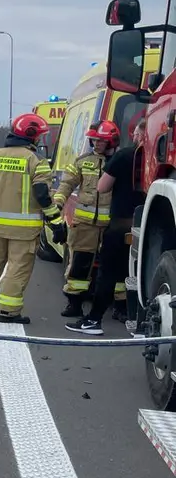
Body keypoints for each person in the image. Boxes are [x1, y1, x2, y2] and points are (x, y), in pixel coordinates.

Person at [0, 113, 66, 324]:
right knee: (17, 270)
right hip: (24, 231)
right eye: (39, 136)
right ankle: (8, 311)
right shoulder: (36, 161)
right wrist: (56, 224)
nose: (40, 140)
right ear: (32, 136)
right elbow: (43, 197)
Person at [66, 119, 145, 335]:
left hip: (119, 223)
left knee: (108, 273)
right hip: (146, 225)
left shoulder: (125, 155)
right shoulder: (158, 157)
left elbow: (102, 187)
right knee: (135, 272)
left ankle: (93, 320)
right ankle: (140, 323)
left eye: (137, 133)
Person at [56, 121, 119, 319]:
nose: (96, 144)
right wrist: (58, 202)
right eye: (94, 140)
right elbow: (67, 184)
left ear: (111, 141)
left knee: (115, 266)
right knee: (80, 265)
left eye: (101, 141)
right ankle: (74, 304)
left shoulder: (119, 161)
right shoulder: (83, 161)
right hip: (85, 225)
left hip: (111, 226)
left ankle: (120, 307)